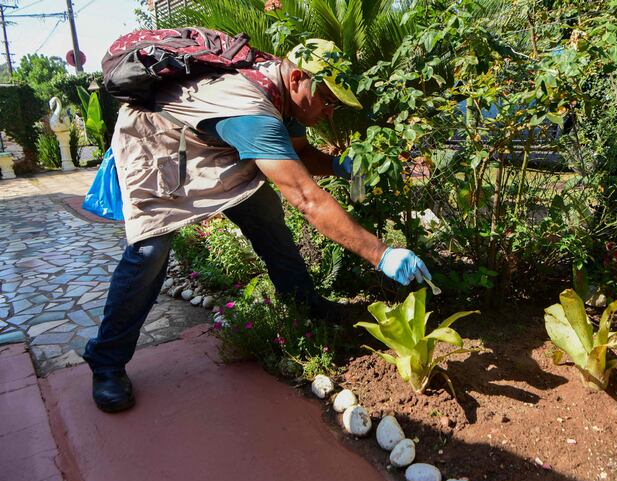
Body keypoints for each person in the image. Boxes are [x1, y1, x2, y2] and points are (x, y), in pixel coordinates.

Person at [84, 39, 431, 413]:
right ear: (298, 78)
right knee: (150, 251)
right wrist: (382, 254)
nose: (330, 113)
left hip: (209, 144)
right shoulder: (254, 113)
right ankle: (106, 362)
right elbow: (306, 197)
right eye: (328, 100)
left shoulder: (284, 94)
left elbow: (298, 153)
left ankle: (306, 304)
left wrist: (337, 166)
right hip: (157, 142)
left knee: (264, 212)